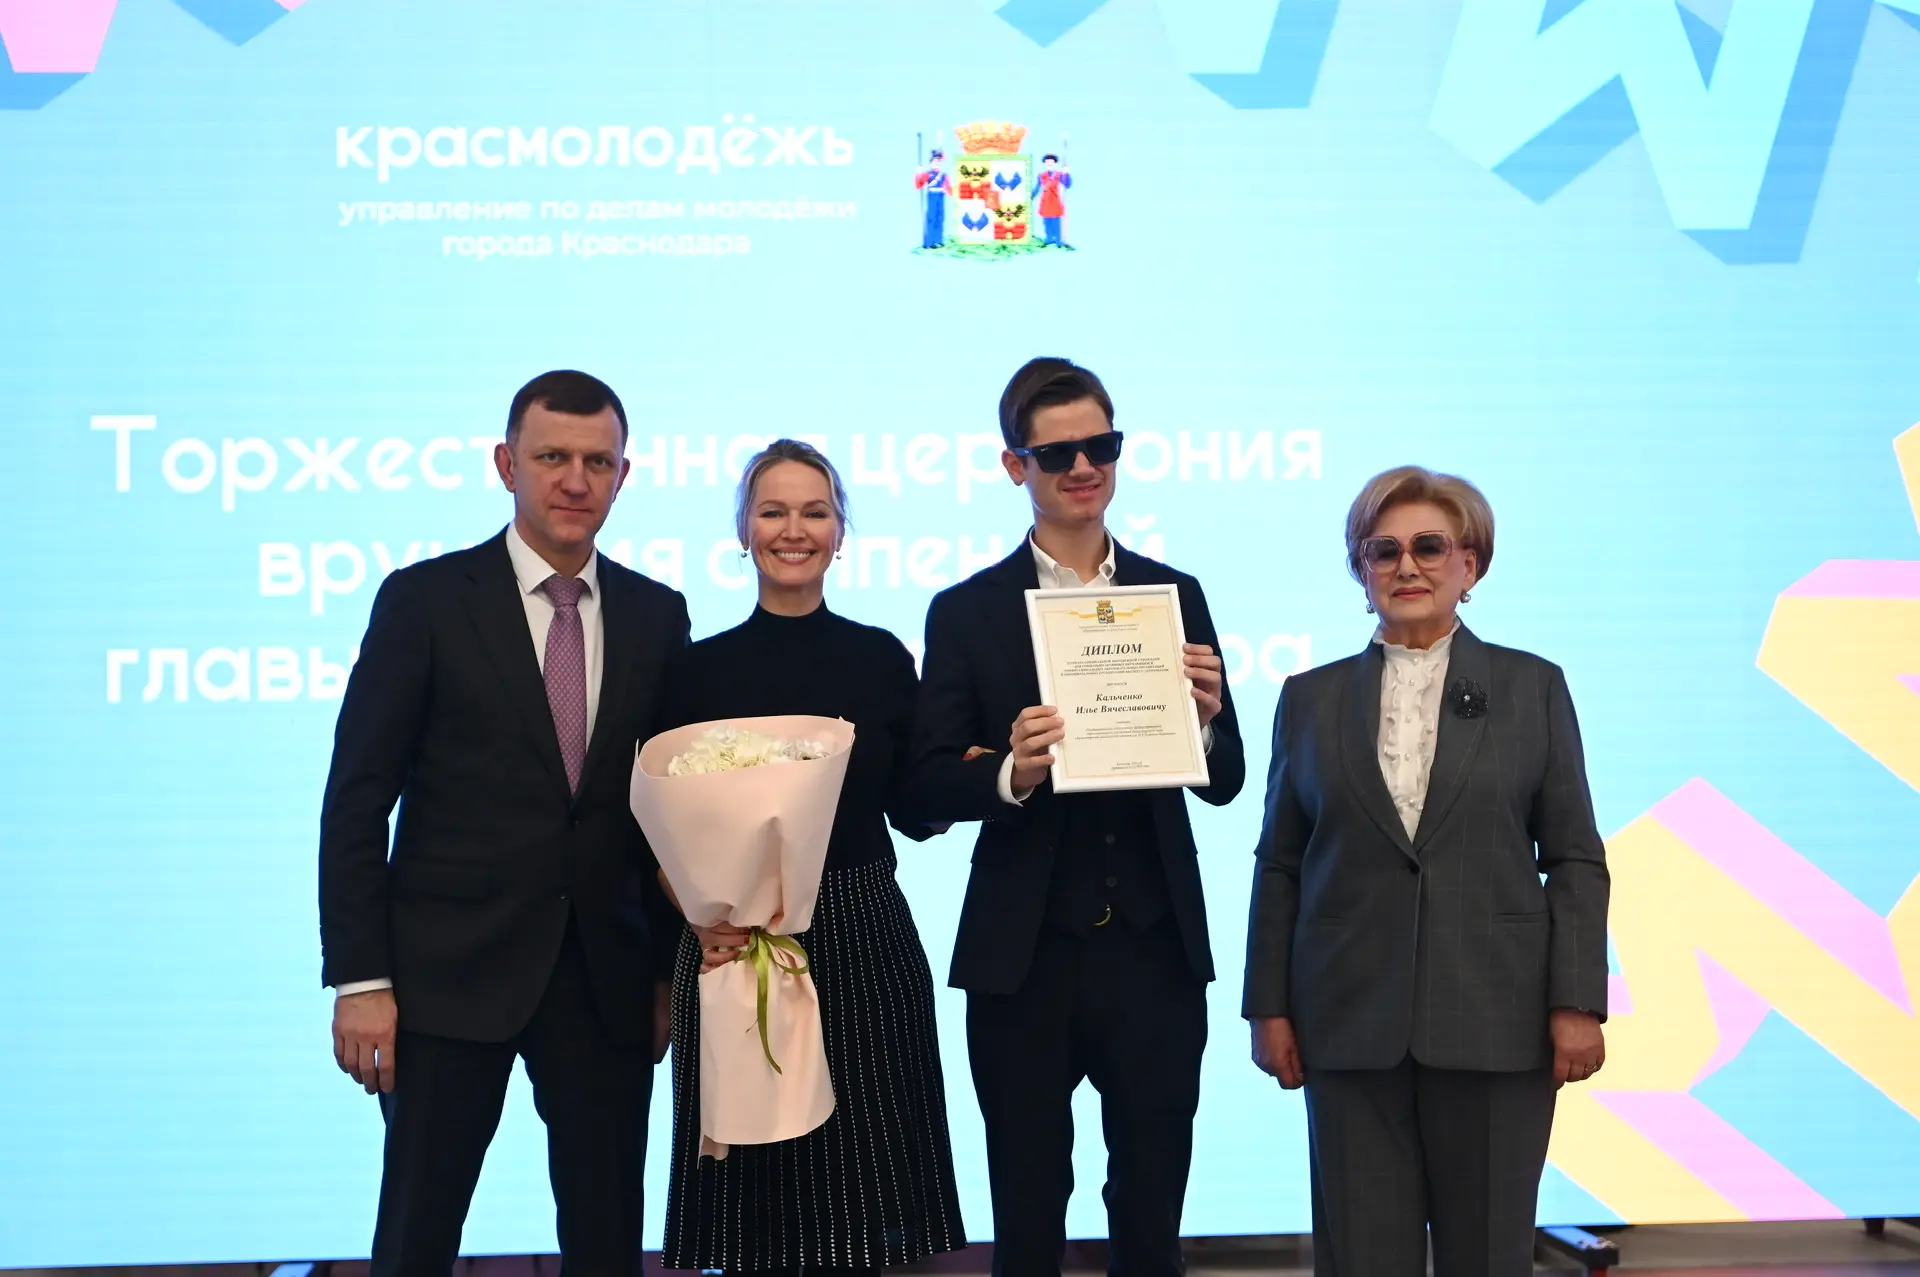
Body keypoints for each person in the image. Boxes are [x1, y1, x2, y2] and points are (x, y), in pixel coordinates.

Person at [319, 370, 688, 1276]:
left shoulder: (658, 615)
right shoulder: (425, 601)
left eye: (597, 461)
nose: (575, 480)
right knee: (416, 1239)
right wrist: (361, 977)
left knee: (607, 1244)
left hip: (605, 984)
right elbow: (357, 798)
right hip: (444, 982)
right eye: (552, 456)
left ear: (624, 475)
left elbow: (668, 816)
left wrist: (665, 976)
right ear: (505, 464)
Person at [903, 357, 1245, 1277]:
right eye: (1057, 453)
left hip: (1155, 951)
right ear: (1015, 465)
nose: (1083, 467)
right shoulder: (966, 611)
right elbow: (922, 792)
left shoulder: (1173, 594)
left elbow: (1227, 778)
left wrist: (1204, 724)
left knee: (1151, 1210)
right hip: (1022, 958)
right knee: (1025, 1212)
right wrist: (1008, 772)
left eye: (1102, 446)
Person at [1242, 465, 1611, 1277]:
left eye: (1429, 546)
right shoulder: (1308, 699)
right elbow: (1280, 862)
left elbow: (1575, 858)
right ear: (1361, 569)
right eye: (1384, 550)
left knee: (1489, 1255)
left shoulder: (1533, 686)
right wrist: (1267, 1006)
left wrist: (1577, 1000)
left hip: (1498, 1020)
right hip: (1346, 1023)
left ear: (1469, 563)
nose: (1406, 566)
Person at [659, 440, 967, 1277]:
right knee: (754, 1222)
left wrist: (984, 769)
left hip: (863, 937)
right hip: (734, 947)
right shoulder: (693, 670)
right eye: (773, 511)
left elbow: (916, 809)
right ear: (743, 530)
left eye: (814, 512)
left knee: (863, 1212)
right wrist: (696, 916)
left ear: (839, 532)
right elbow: (654, 833)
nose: (793, 530)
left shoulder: (880, 657)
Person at [914, 147, 952, 249]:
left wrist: (952, 192)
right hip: (932, 196)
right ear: (931, 162)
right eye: (935, 161)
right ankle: (929, 242)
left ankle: (938, 241)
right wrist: (918, 173)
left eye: (938, 161)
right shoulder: (927, 174)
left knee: (940, 218)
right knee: (931, 218)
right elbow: (918, 185)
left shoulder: (944, 175)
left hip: (941, 196)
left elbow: (949, 189)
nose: (937, 163)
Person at [1035, 154, 1072, 246]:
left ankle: (1058, 241)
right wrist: (1031, 196)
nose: (1049, 163)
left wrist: (1066, 173)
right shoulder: (1041, 175)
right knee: (1046, 222)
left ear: (1054, 162)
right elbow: (1037, 188)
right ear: (1045, 163)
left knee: (1056, 222)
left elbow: (1067, 185)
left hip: (1055, 201)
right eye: (1047, 161)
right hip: (1045, 202)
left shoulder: (1060, 174)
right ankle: (1049, 239)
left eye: (1051, 161)